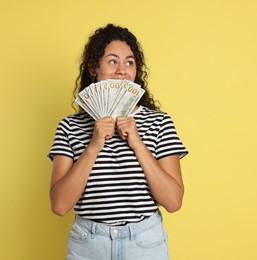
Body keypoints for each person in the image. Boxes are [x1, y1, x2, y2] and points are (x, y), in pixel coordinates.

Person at [48, 24, 188, 260]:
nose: (122, 70)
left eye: (129, 62)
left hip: (144, 244)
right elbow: (59, 205)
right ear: (94, 67)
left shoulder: (159, 123)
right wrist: (93, 146)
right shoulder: (70, 127)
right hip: (88, 245)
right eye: (112, 61)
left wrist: (138, 144)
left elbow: (173, 201)